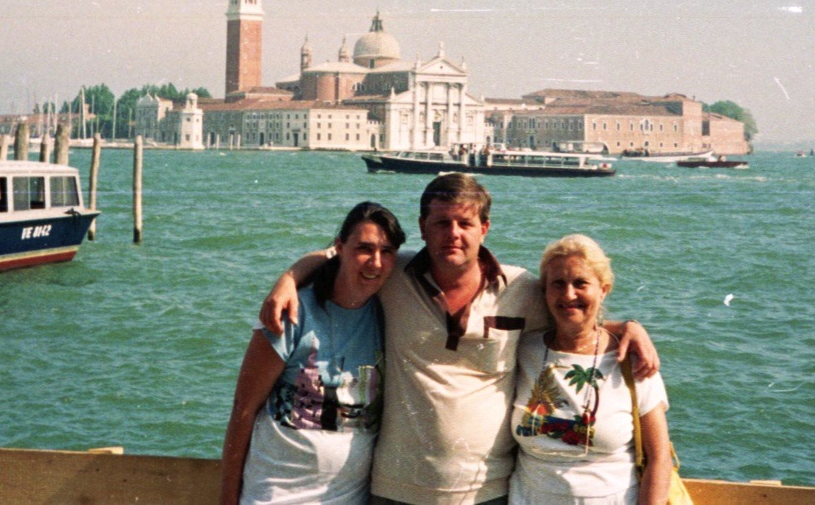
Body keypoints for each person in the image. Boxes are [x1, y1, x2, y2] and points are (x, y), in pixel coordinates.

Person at [261, 174, 659, 505]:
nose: (454, 233)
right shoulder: (393, 275)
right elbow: (342, 256)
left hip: (488, 492)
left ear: (484, 228)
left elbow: (573, 312)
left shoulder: (521, 289)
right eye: (441, 222)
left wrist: (626, 328)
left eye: (465, 223)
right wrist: (289, 278)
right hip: (394, 489)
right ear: (422, 227)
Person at [220, 201, 406, 505]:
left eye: (386, 252)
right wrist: (228, 498)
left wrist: (292, 274)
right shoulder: (293, 313)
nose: (375, 262)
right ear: (340, 248)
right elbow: (243, 409)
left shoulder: (390, 310)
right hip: (273, 495)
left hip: (348, 498)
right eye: (364, 249)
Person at [509, 235, 672, 505]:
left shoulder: (631, 360)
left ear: (603, 289)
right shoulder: (523, 349)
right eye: (557, 284)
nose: (568, 294)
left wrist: (629, 327)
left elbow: (659, 458)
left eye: (580, 283)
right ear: (544, 291)